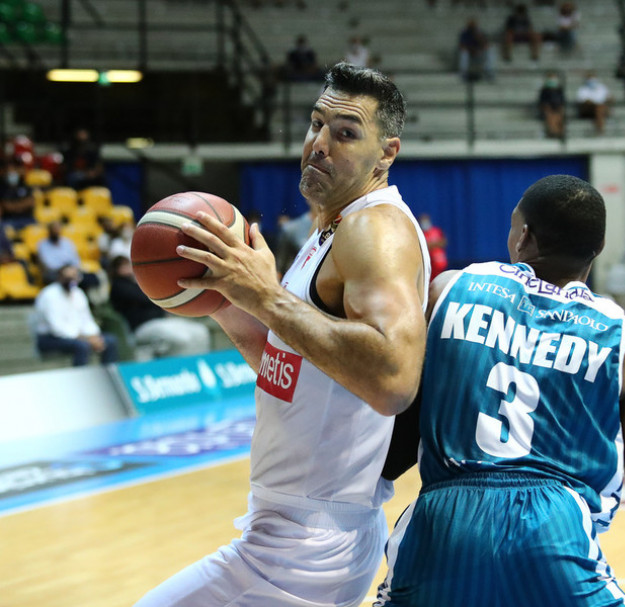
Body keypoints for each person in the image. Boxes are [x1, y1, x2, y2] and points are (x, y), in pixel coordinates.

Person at [133, 62, 431, 607]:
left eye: (346, 134)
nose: (320, 144)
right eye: (316, 124)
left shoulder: (375, 228)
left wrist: (266, 296)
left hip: (309, 544)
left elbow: (393, 379)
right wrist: (228, 301)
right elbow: (296, 370)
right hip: (297, 532)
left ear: (386, 153)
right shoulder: (331, 229)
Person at [374, 174, 625, 607]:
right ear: (597, 248)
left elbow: (392, 450)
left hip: (441, 527)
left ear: (523, 236)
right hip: (554, 537)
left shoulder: (447, 290)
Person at [107, 255, 211, 358]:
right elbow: (150, 298)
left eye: (128, 265)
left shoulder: (136, 284)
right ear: (116, 269)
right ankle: (176, 366)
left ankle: (195, 364)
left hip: (161, 321)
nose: (128, 268)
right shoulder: (118, 286)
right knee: (181, 338)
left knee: (200, 332)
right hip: (142, 326)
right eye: (123, 266)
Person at [32, 264, 118, 366]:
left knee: (109, 340)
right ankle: (82, 374)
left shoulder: (78, 293)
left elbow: (86, 319)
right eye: (68, 277)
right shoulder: (49, 294)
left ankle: (108, 372)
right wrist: (86, 339)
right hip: (50, 338)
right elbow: (57, 327)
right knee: (82, 346)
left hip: (80, 336)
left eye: (74, 276)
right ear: (60, 277)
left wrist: (94, 336)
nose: (71, 280)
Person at [457, 18, 496, 82]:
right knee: (464, 53)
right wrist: (472, 50)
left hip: (479, 52)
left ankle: (489, 72)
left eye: (474, 25)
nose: (472, 27)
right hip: (470, 52)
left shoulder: (479, 33)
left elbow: (485, 44)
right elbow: (462, 46)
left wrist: (478, 38)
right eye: (471, 25)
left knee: (490, 50)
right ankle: (464, 74)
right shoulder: (465, 33)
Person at [418, 213, 447, 278]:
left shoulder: (436, 231)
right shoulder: (421, 234)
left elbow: (443, 242)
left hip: (440, 262)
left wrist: (432, 244)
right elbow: (424, 246)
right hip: (430, 265)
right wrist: (435, 244)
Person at [538, 70, 565, 139]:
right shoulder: (544, 90)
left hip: (557, 107)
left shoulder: (559, 90)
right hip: (548, 108)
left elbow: (562, 100)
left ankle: (559, 132)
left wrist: (559, 107)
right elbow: (542, 101)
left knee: (559, 116)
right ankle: (553, 132)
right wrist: (547, 106)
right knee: (551, 116)